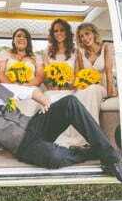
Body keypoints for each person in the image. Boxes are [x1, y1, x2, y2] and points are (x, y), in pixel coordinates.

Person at [0, 60, 122, 187]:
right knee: (54, 157)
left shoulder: (3, 88)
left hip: (35, 125)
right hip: (24, 146)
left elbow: (32, 91)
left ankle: (112, 160)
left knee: (70, 102)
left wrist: (45, 101)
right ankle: (90, 152)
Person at [41, 19, 99, 147]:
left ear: (67, 32)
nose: (58, 33)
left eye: (62, 30)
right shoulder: (47, 52)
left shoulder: (75, 51)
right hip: (53, 89)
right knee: (50, 98)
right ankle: (55, 139)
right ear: (52, 34)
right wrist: (56, 84)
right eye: (55, 31)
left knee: (74, 99)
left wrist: (67, 85)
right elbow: (46, 77)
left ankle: (79, 139)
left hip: (71, 88)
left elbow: (78, 75)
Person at [0, 28, 45, 115]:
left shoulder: (36, 57)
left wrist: (25, 87)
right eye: (18, 36)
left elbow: (40, 76)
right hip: (9, 88)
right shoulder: (5, 54)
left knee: (32, 101)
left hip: (30, 88)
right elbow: (0, 73)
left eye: (25, 37)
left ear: (28, 41)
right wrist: (13, 87)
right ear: (13, 40)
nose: (21, 38)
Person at [76, 23, 117, 98]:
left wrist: (110, 93)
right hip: (88, 88)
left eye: (87, 34)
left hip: (105, 87)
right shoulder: (80, 51)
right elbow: (81, 74)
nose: (85, 38)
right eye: (81, 36)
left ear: (94, 34)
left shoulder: (106, 47)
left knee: (94, 90)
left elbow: (109, 72)